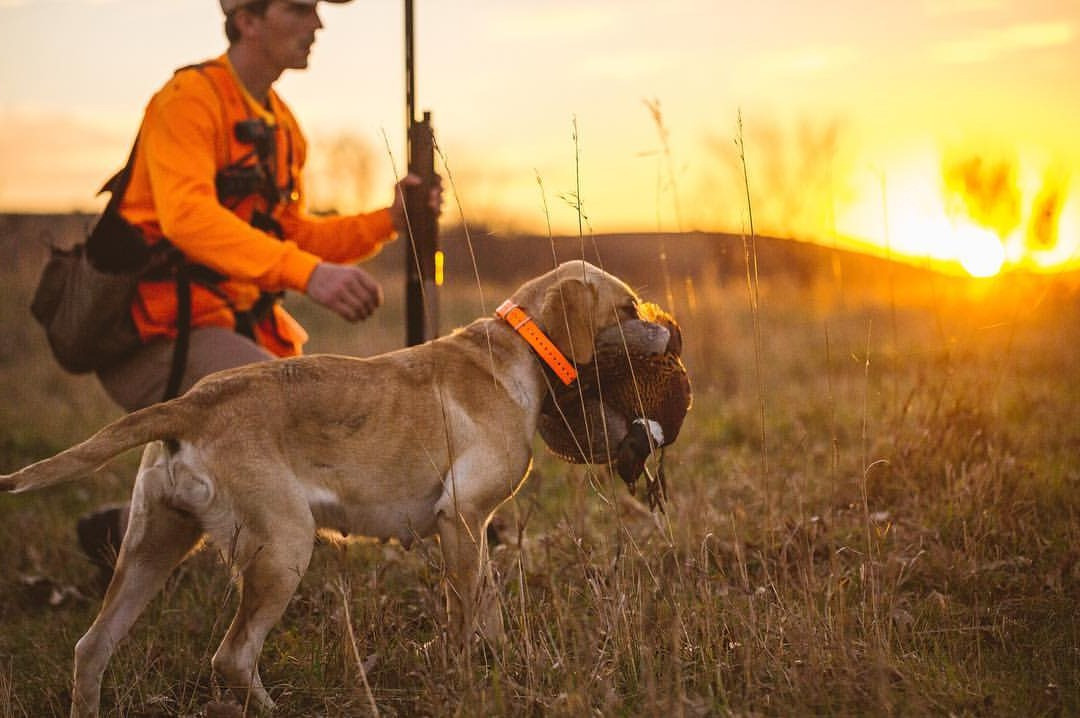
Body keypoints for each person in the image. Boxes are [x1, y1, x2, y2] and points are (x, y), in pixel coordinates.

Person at [77, 0, 443, 578]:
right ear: (247, 19)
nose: (316, 25)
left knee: (290, 429)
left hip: (231, 330)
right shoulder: (188, 101)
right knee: (283, 420)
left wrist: (387, 221)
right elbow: (188, 219)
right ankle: (322, 550)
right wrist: (307, 274)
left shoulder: (281, 125)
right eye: (298, 9)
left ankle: (122, 531)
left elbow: (290, 231)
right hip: (154, 335)